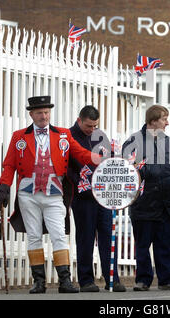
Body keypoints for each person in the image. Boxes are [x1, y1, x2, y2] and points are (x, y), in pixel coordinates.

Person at [0, 96, 101, 294]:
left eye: (46, 112)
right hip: (28, 193)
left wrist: (101, 159)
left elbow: (81, 154)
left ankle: (65, 281)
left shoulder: (63, 134)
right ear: (31, 114)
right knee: (34, 236)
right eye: (39, 113)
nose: (43, 116)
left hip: (53, 192)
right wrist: (4, 187)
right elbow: (9, 164)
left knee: (59, 235)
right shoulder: (19, 136)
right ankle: (39, 282)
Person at [122, 105, 170, 291]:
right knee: (142, 246)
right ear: (153, 121)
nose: (167, 123)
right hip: (143, 202)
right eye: (164, 119)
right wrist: (156, 170)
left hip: (166, 202)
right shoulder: (133, 141)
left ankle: (166, 280)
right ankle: (143, 280)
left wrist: (150, 169)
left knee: (165, 244)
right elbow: (128, 168)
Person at [67, 105, 126, 292]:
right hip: (83, 196)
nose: (92, 130)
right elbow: (66, 167)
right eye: (88, 126)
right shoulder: (68, 137)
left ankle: (112, 279)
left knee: (109, 236)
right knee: (85, 238)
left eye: (95, 126)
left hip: (104, 196)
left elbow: (110, 161)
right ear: (79, 120)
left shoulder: (101, 136)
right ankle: (86, 281)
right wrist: (79, 185)